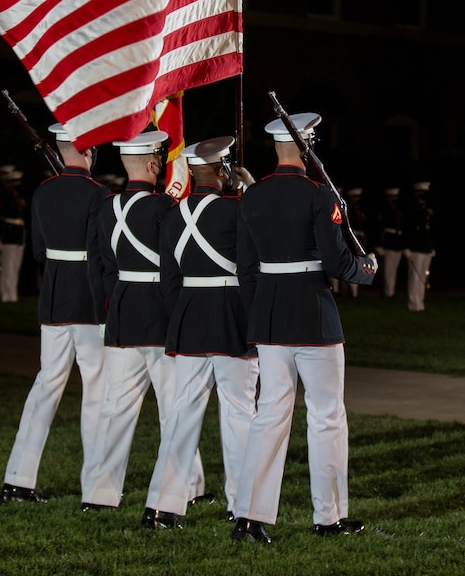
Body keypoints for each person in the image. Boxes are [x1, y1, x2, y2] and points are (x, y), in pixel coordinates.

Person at [230, 112, 378, 544]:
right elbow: (335, 263)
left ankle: (249, 517)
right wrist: (366, 270)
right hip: (313, 314)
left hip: (271, 317)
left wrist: (260, 312)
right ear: (307, 146)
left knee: (270, 414)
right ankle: (327, 517)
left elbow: (246, 267)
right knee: (327, 416)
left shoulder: (252, 197)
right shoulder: (319, 194)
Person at [81, 130, 208, 511]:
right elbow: (175, 266)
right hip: (160, 313)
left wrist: (107, 312)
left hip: (122, 312)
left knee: (116, 408)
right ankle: (184, 487)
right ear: (154, 165)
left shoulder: (106, 207)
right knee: (175, 406)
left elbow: (99, 267)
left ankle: (99, 494)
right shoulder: (163, 209)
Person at [141, 136, 259, 530]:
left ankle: (161, 506)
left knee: (181, 415)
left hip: (189, 317)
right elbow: (251, 267)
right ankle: (243, 508)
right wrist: (251, 191)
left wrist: (185, 313)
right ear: (223, 171)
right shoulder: (237, 211)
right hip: (231, 317)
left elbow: (168, 279)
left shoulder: (173, 215)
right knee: (239, 414)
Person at [0, 123, 110, 504]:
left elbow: (39, 253)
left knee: (46, 387)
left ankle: (18, 478)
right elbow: (101, 256)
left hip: (54, 298)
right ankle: (95, 486)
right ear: (88, 152)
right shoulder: (99, 194)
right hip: (88, 303)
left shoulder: (42, 193)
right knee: (97, 390)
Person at [0, 169, 28, 303]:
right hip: (8, 234)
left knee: (14, 266)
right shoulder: (4, 197)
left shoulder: (16, 196)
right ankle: (5, 293)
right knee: (7, 266)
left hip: (18, 233)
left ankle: (12, 293)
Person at [403, 181, 435, 312]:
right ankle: (413, 302)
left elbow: (429, 229)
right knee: (414, 277)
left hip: (425, 247)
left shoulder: (426, 208)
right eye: (421, 192)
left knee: (422, 276)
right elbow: (407, 228)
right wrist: (406, 247)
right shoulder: (412, 208)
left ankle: (420, 302)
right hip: (415, 247)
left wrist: (431, 246)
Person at [375, 187, 404, 298]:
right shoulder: (384, 210)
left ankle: (391, 291)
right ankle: (388, 292)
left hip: (397, 243)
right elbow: (379, 228)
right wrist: (379, 245)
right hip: (388, 243)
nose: (394, 199)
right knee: (387, 270)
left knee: (393, 270)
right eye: (392, 197)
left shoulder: (397, 210)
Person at [340, 188, 367, 299]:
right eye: (355, 197)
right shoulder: (348, 209)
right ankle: (348, 291)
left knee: (358, 264)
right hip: (350, 238)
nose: (357, 200)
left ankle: (355, 293)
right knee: (350, 264)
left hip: (359, 238)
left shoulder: (359, 210)